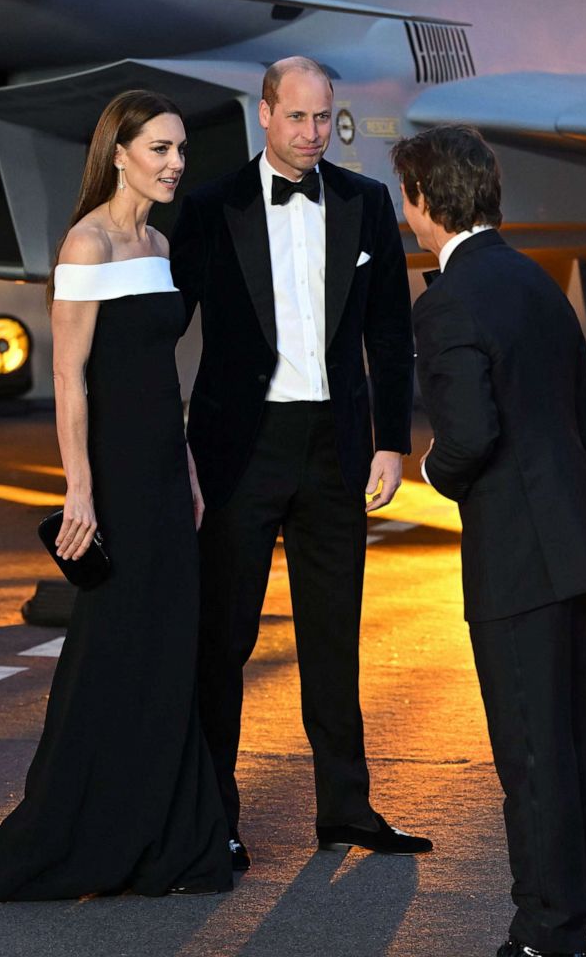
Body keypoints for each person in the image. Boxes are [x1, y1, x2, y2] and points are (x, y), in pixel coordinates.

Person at [0, 90, 231, 900]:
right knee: (111, 648)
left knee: (168, 647)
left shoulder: (155, 241)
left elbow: (162, 374)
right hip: (112, 475)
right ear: (117, 153)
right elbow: (68, 376)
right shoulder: (85, 244)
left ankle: (170, 841)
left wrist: (185, 468)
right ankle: (72, 836)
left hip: (160, 470)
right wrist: (79, 490)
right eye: (158, 148)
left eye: (181, 149)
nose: (175, 163)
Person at [170, 56, 432, 869]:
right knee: (225, 641)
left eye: (324, 119)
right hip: (237, 451)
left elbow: (391, 332)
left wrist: (392, 439)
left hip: (335, 448)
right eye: (297, 118)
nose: (313, 133)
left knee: (333, 634)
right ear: (264, 114)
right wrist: (162, 445)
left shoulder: (364, 201)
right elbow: (165, 326)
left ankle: (345, 809)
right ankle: (214, 817)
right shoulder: (212, 207)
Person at [393, 124, 586, 957]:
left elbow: (468, 437)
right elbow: (574, 420)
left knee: (530, 752)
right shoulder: (536, 282)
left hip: (519, 555)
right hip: (577, 539)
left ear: (423, 201)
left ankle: (545, 934)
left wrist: (431, 474)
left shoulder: (447, 300)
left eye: (407, 196)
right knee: (578, 741)